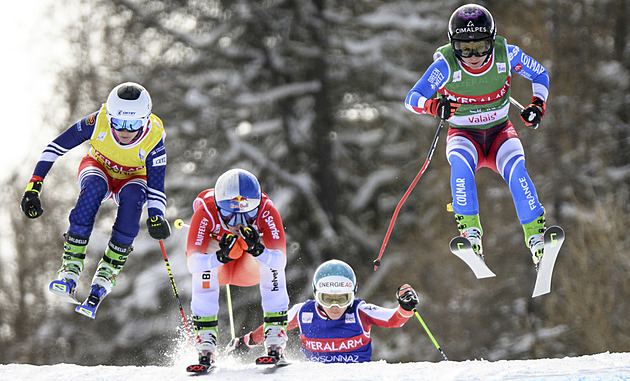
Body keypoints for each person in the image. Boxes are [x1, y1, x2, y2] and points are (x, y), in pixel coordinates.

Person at [404, 4, 550, 269]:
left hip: (499, 134)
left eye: (481, 47)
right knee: (460, 168)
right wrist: (433, 106)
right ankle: (470, 234)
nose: (473, 56)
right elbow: (412, 98)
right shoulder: (445, 65)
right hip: (464, 136)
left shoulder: (507, 55)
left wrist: (538, 105)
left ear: (492, 41)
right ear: (452, 45)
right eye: (464, 48)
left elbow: (539, 73)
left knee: (518, 171)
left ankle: (537, 238)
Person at [20, 82, 171, 317]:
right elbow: (54, 147)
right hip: (98, 167)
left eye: (133, 124)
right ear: (109, 116)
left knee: (132, 202)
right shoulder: (98, 121)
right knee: (93, 189)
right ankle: (69, 270)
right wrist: (33, 188)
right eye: (118, 122)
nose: (125, 131)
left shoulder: (154, 137)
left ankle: (106, 275)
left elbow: (156, 187)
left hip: (133, 178)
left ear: (146, 120)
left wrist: (156, 217)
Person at [185, 168, 290, 366]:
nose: (238, 223)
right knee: (203, 264)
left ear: (256, 207)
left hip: (248, 268)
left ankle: (275, 339)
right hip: (219, 268)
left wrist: (260, 251)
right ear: (217, 206)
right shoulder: (206, 211)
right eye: (229, 215)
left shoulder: (267, 210)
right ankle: (206, 343)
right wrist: (219, 257)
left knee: (272, 262)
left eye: (247, 215)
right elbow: (193, 263)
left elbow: (280, 261)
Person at [226, 259, 419, 363]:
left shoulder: (360, 311)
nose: (335, 306)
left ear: (352, 295)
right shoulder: (303, 312)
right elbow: (275, 326)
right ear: (317, 295)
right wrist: (245, 342)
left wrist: (405, 307)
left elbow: (394, 320)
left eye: (342, 299)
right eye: (327, 299)